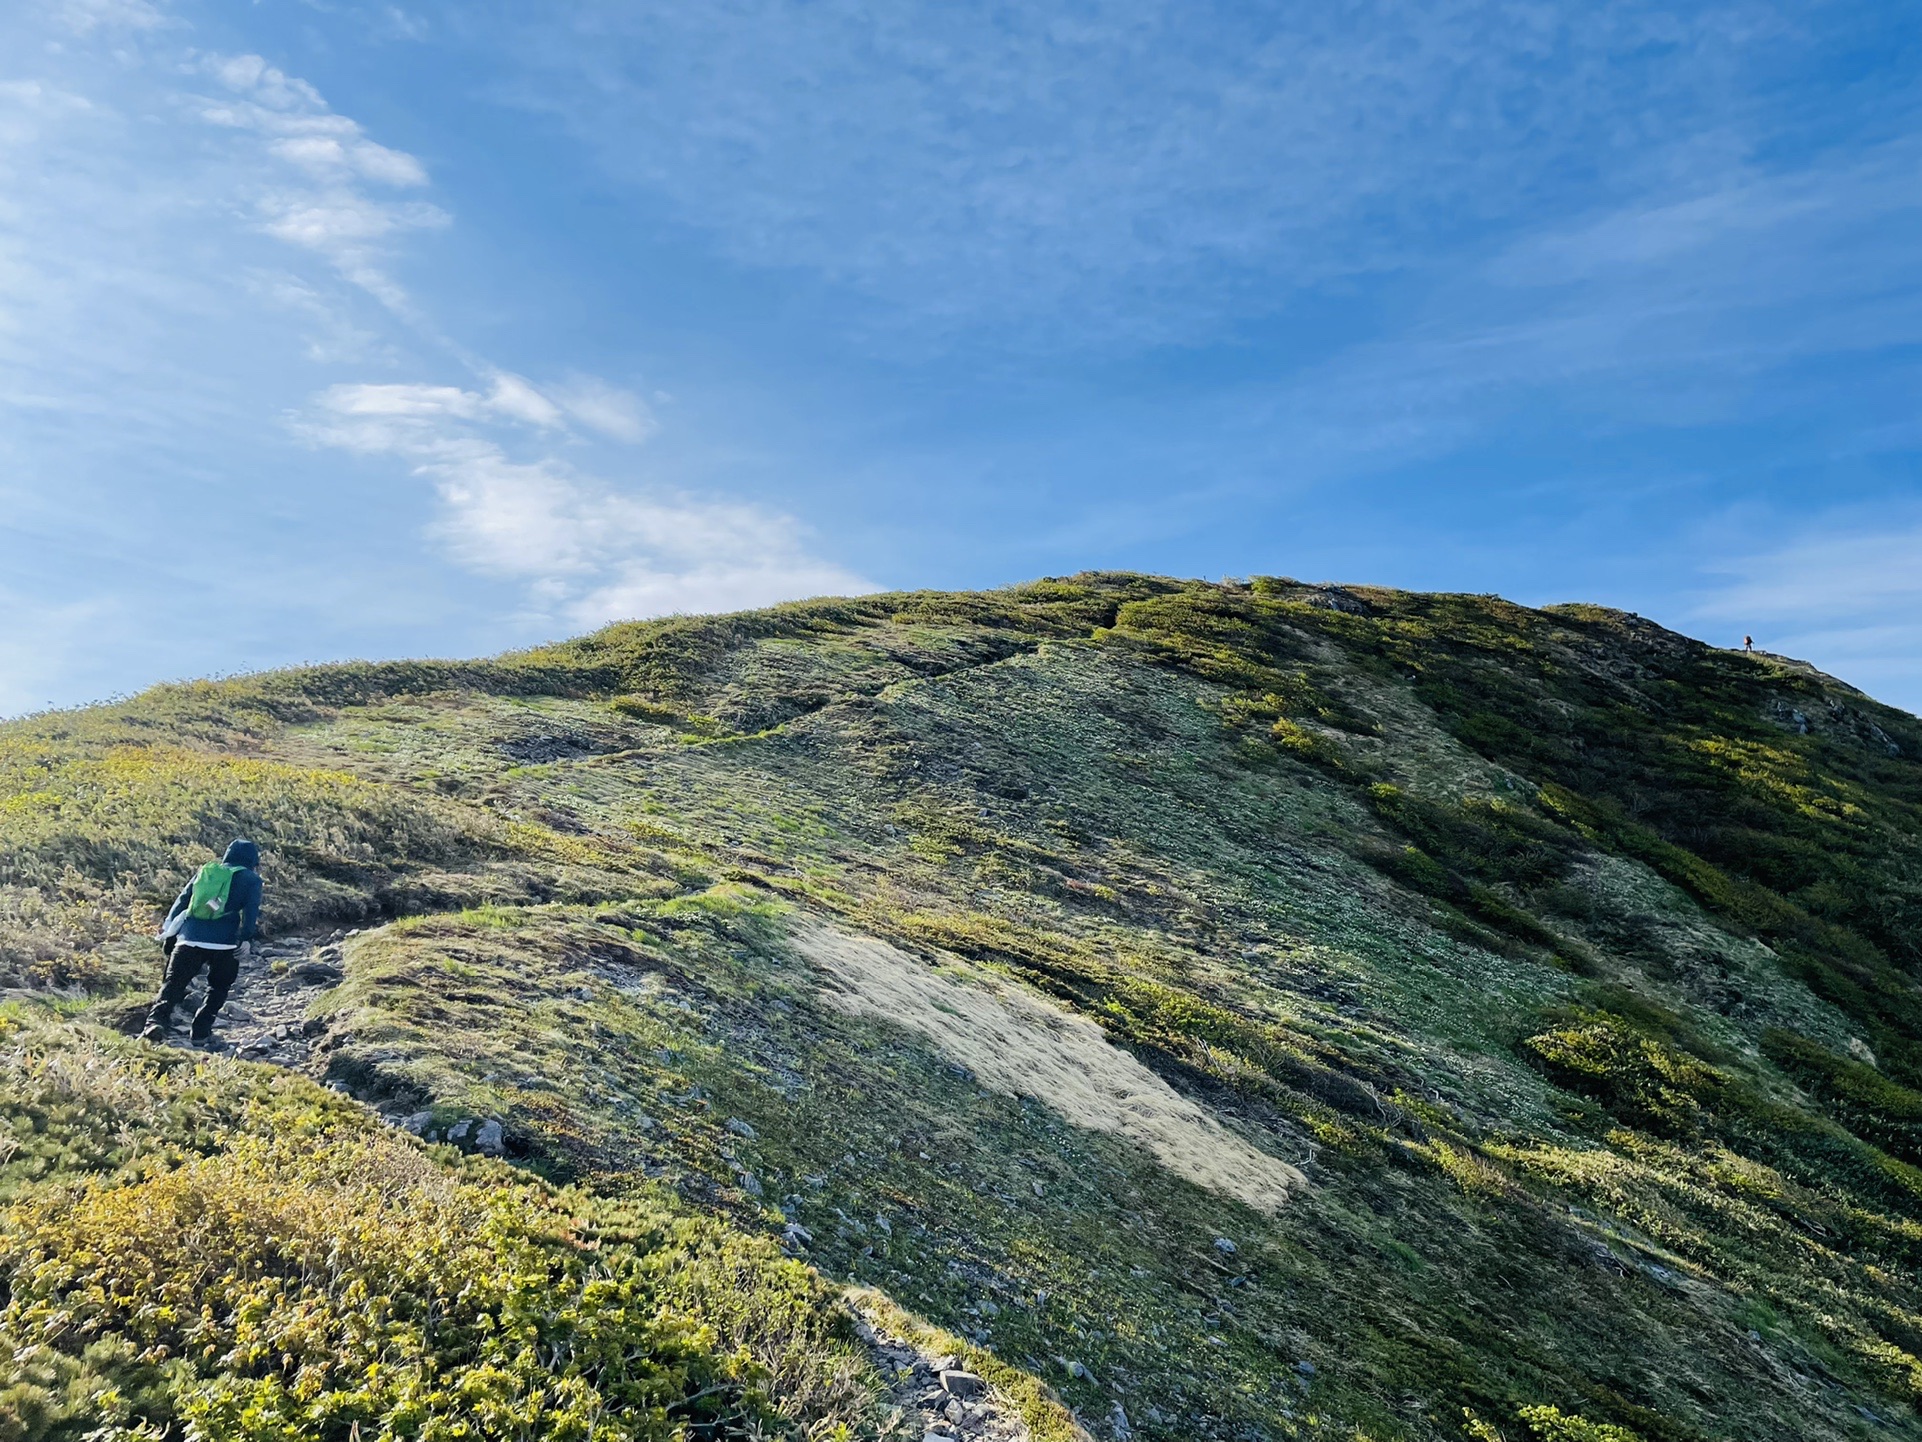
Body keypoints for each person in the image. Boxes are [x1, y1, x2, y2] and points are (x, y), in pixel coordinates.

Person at [142, 839, 263, 1045]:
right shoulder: (252, 879)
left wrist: (170, 930)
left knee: (173, 984)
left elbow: (182, 900)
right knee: (218, 988)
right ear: (253, 859)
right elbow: (251, 912)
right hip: (224, 943)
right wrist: (246, 938)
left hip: (188, 939)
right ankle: (201, 1031)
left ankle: (155, 1022)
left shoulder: (206, 871)